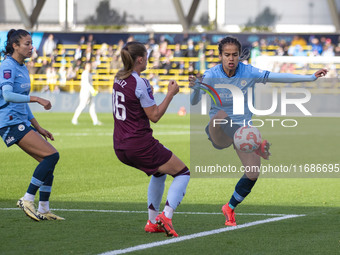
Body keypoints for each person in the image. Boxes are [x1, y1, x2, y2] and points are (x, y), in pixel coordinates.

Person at [189, 35, 328, 226]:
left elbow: (276, 77)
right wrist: (196, 88)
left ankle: (229, 207)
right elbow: (193, 101)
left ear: (239, 56)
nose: (231, 59)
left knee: (253, 173)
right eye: (227, 55)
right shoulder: (211, 75)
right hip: (218, 129)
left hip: (241, 132)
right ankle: (256, 142)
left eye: (235, 55)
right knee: (221, 114)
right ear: (220, 56)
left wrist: (310, 77)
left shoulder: (248, 72)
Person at [112, 41, 190, 237]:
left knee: (159, 173)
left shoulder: (118, 77)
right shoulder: (140, 82)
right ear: (140, 59)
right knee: (183, 172)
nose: (148, 60)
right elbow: (154, 116)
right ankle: (166, 216)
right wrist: (170, 94)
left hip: (120, 145)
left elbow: (133, 104)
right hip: (139, 143)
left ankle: (152, 221)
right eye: (146, 57)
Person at [0, 29, 64, 221]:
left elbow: (21, 103)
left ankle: (44, 208)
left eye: (31, 43)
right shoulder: (7, 66)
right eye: (27, 43)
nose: (31, 47)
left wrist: (38, 126)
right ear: (15, 46)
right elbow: (8, 95)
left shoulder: (22, 67)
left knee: (47, 163)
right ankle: (27, 199)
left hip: (21, 120)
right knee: (52, 156)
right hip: (9, 122)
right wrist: (36, 98)